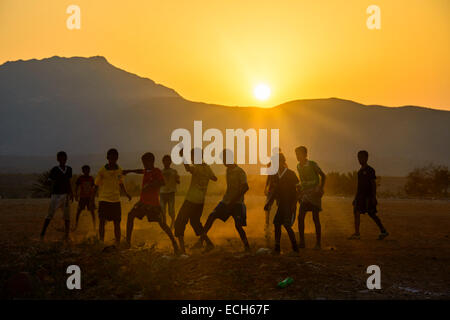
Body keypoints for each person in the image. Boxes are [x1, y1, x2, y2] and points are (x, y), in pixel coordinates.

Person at [124, 152, 180, 254]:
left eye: (145, 162)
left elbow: (162, 182)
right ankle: (127, 243)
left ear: (151, 162)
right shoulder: (146, 170)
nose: (144, 165)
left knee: (163, 224)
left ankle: (175, 244)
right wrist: (128, 171)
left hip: (153, 205)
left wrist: (149, 185)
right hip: (142, 203)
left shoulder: (156, 171)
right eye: (143, 163)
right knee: (130, 216)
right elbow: (140, 171)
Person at [202, 149, 250, 252]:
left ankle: (247, 246)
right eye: (222, 160)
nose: (223, 162)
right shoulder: (228, 170)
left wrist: (234, 200)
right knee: (211, 216)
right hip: (226, 201)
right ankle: (202, 241)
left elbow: (245, 187)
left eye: (224, 160)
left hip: (237, 203)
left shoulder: (240, 171)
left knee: (238, 225)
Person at [174, 148, 217, 254]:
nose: (191, 159)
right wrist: (205, 174)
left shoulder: (197, 168)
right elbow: (214, 178)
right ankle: (209, 244)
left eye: (192, 156)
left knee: (179, 222)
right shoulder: (206, 167)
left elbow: (188, 168)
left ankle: (182, 250)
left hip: (191, 200)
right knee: (195, 223)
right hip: (200, 201)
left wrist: (183, 157)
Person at [94, 148, 131, 245]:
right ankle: (101, 241)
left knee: (117, 223)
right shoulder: (102, 171)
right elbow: (96, 185)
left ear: (117, 158)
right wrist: (91, 198)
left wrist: (126, 193)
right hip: (104, 199)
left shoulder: (119, 170)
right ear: (107, 158)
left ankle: (117, 242)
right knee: (102, 221)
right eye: (111, 157)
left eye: (115, 157)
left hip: (115, 200)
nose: (113, 159)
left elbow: (120, 183)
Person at [348, 150, 389, 240]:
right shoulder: (359, 172)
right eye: (358, 157)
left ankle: (383, 230)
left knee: (372, 214)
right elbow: (359, 186)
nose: (359, 159)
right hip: (360, 197)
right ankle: (357, 233)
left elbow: (373, 184)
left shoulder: (370, 170)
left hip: (368, 197)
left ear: (366, 158)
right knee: (356, 212)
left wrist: (373, 196)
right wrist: (355, 197)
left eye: (361, 157)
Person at [265, 153, 299, 254]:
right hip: (281, 205)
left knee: (287, 225)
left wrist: (294, 204)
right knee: (276, 223)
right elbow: (274, 191)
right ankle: (277, 248)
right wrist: (269, 202)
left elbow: (298, 190)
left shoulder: (291, 174)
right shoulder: (275, 175)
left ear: (283, 162)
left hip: (289, 204)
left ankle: (295, 248)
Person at [295, 146, 326, 249]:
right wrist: (299, 191)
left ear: (305, 154)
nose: (297, 156)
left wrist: (320, 189)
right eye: (296, 154)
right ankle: (302, 242)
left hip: (315, 194)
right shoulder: (298, 166)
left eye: (299, 154)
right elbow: (302, 181)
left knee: (315, 218)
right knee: (300, 217)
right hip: (305, 194)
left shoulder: (312, 164)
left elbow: (323, 175)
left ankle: (318, 243)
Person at [40, 151, 73, 241]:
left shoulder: (69, 169)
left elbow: (69, 182)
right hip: (56, 195)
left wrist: (71, 193)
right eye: (61, 158)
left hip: (66, 195)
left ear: (66, 159)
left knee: (67, 216)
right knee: (50, 214)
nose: (63, 160)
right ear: (58, 159)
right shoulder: (54, 169)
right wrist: (50, 189)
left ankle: (67, 235)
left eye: (64, 158)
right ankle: (43, 232)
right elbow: (51, 181)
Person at [160, 155, 180, 229]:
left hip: (171, 193)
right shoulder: (161, 172)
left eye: (168, 161)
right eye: (165, 161)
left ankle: (173, 222)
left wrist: (177, 180)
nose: (166, 162)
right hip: (162, 193)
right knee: (162, 210)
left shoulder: (174, 171)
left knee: (171, 210)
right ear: (163, 162)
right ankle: (165, 225)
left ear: (170, 162)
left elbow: (178, 180)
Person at [73, 165, 96, 231]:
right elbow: (76, 187)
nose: (87, 171)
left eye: (88, 170)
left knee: (92, 212)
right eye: (85, 170)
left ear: (89, 171)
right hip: (82, 198)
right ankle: (76, 225)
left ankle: (94, 226)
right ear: (83, 171)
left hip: (89, 198)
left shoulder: (91, 178)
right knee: (78, 211)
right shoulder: (80, 178)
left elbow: (93, 188)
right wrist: (76, 195)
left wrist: (93, 198)